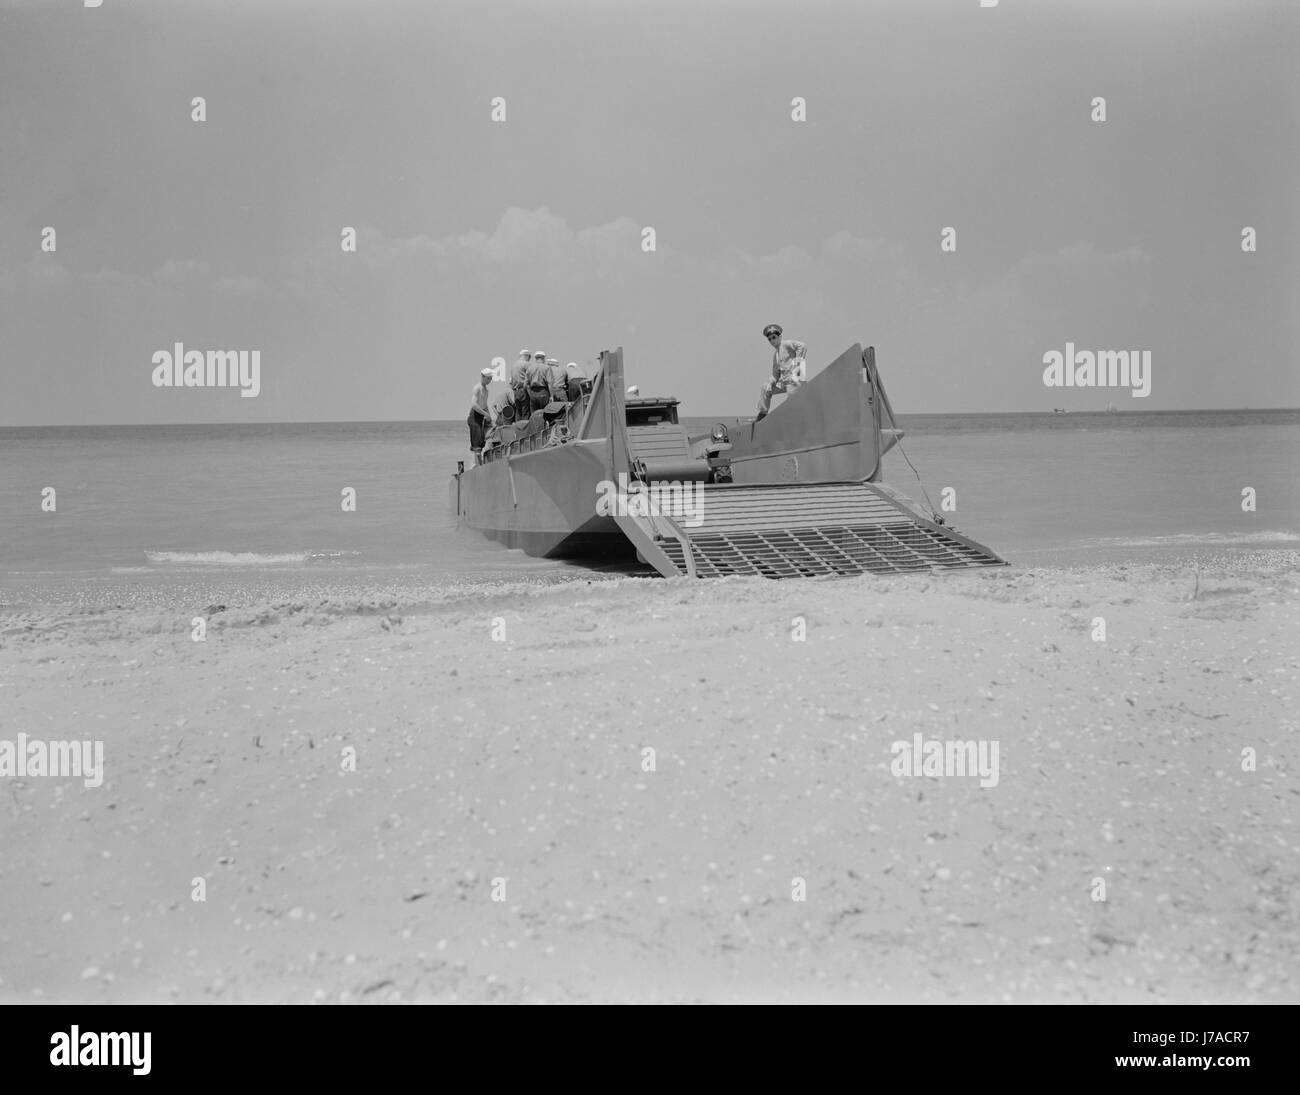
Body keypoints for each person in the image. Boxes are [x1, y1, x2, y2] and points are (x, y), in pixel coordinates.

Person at [755, 323, 807, 420]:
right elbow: (775, 374)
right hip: (784, 383)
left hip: (795, 382)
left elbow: (802, 346)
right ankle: (762, 414)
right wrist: (771, 383)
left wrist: (797, 366)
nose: (772, 340)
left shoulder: (786, 344)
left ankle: (797, 417)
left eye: (774, 337)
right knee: (765, 388)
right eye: (769, 339)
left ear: (779, 337)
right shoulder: (776, 355)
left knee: (793, 408)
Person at [467, 367, 495, 463]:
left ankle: (480, 463)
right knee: (477, 444)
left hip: (482, 416)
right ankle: (477, 465)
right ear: (483, 377)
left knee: (482, 441)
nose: (490, 381)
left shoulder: (486, 390)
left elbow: (484, 404)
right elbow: (474, 404)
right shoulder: (477, 388)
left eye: (491, 379)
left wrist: (489, 416)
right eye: (488, 379)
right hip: (474, 416)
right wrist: (485, 413)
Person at [509, 350, 532, 421]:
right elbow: (530, 377)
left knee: (518, 412)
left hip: (516, 391)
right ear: (527, 356)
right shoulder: (526, 364)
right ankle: (524, 430)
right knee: (526, 411)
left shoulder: (513, 365)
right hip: (524, 390)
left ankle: (517, 430)